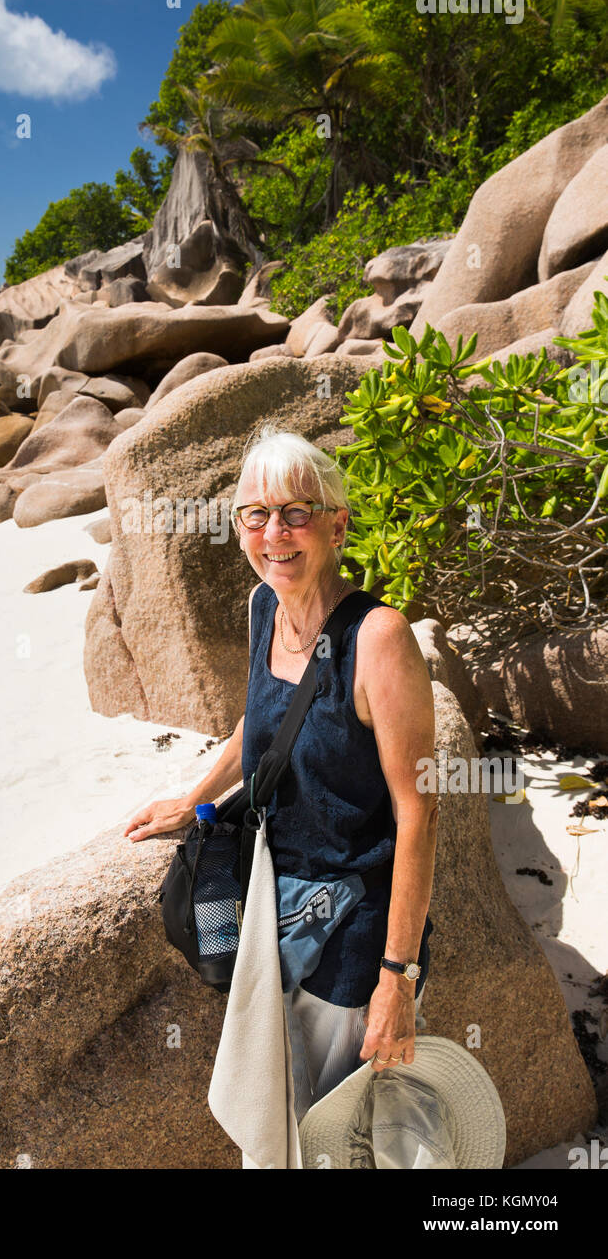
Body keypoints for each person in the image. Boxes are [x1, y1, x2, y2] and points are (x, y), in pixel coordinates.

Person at [124, 422, 439, 1142]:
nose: (275, 533)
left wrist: (398, 977)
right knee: (278, 1114)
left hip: (350, 929)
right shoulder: (263, 605)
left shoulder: (378, 639)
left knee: (336, 1127)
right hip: (269, 905)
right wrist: (197, 796)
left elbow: (418, 812)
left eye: (296, 512)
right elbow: (259, 721)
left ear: (337, 523)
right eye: (256, 515)